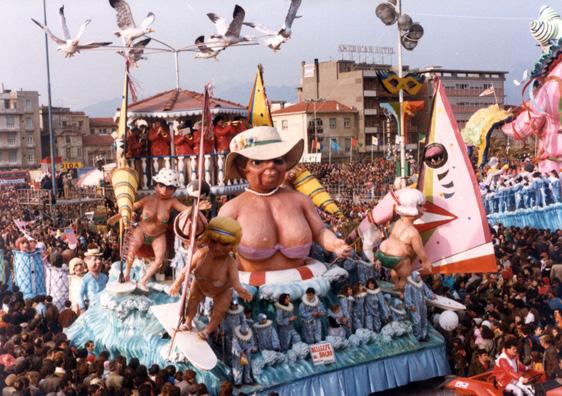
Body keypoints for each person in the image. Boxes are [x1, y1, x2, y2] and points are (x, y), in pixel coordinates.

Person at [219, 126, 351, 278]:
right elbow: (215, 252)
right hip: (251, 292)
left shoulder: (301, 201)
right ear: (243, 167)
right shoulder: (231, 210)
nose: (271, 166)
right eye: (258, 162)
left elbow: (319, 232)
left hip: (306, 287)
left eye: (278, 160)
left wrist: (335, 244)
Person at [109, 168, 197, 290]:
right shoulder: (147, 199)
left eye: (170, 187)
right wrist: (117, 216)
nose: (165, 190)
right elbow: (131, 208)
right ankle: (126, 275)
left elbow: (185, 209)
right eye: (162, 185)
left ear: (174, 189)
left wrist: (196, 207)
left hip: (159, 234)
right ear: (156, 185)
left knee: (160, 259)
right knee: (130, 253)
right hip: (142, 230)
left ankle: (143, 281)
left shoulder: (172, 201)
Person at [169, 216, 252, 340]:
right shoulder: (201, 253)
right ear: (207, 238)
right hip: (199, 285)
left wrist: (243, 292)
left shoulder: (230, 263)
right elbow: (185, 271)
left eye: (224, 244)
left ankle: (207, 331)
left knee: (219, 312)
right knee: (192, 300)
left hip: (222, 291)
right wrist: (176, 284)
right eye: (213, 241)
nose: (218, 248)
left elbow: (236, 284)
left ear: (233, 245)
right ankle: (188, 323)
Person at [376, 188, 432, 291]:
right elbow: (420, 251)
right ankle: (400, 289)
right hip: (398, 259)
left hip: (381, 253)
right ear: (412, 208)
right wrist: (426, 262)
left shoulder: (397, 223)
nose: (424, 209)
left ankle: (395, 283)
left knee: (395, 269)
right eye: (420, 206)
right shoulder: (413, 233)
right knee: (405, 275)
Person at [404, 271, 435, 341]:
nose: (420, 277)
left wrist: (431, 295)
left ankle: (423, 335)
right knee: (417, 321)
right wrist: (410, 305)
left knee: (424, 320)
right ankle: (417, 336)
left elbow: (427, 291)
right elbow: (407, 296)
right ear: (414, 276)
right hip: (414, 307)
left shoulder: (421, 283)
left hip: (422, 305)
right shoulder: (409, 285)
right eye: (418, 276)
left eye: (420, 276)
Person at [79, 247, 108, 311]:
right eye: (94, 259)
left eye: (99, 259)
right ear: (87, 261)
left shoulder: (104, 277)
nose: (98, 261)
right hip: (91, 308)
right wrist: (82, 308)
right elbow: (80, 294)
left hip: (103, 307)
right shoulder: (86, 279)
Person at [231, 320, 256, 386]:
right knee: (238, 368)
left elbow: (252, 343)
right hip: (238, 354)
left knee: (247, 367)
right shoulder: (235, 335)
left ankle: (247, 380)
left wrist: (248, 349)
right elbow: (235, 344)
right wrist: (241, 351)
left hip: (247, 353)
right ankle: (238, 382)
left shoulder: (250, 334)